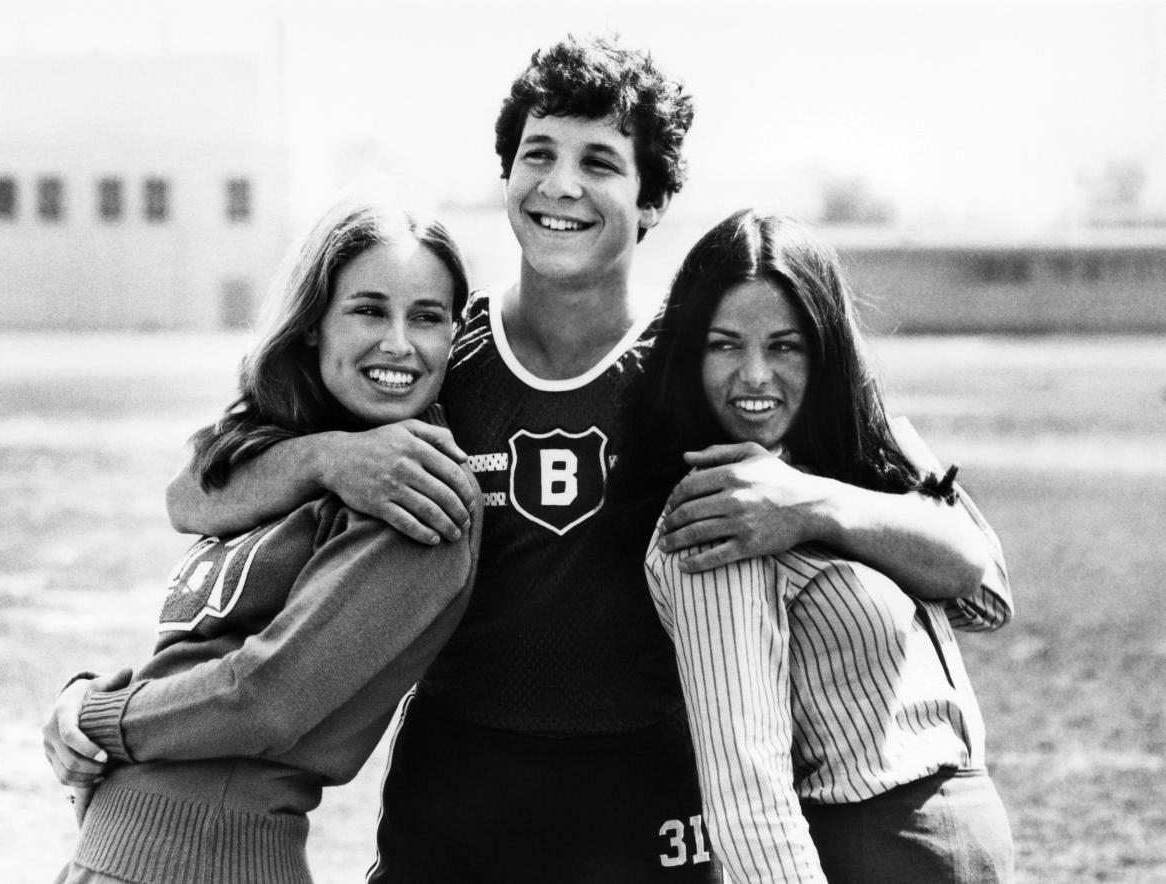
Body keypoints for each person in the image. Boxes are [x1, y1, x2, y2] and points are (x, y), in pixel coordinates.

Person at [56, 36, 1009, 882]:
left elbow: (972, 563)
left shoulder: (711, 364)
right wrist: (324, 459)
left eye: (600, 162)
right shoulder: (431, 361)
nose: (560, 184)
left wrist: (815, 504)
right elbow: (194, 491)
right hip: (458, 794)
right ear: (506, 176)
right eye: (537, 155)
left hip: (652, 801)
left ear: (652, 202)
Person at [42, 194, 483, 884]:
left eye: (427, 317)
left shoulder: (419, 495)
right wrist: (325, 457)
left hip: (211, 858)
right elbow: (187, 498)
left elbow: (262, 700)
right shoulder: (304, 457)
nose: (399, 343)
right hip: (117, 853)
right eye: (369, 309)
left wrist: (97, 716)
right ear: (312, 324)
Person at [621, 209, 1014, 882]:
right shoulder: (715, 514)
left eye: (785, 345)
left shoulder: (868, 451)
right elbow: (749, 796)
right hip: (866, 848)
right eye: (723, 344)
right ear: (689, 353)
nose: (754, 376)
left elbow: (983, 591)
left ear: (825, 347)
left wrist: (815, 508)